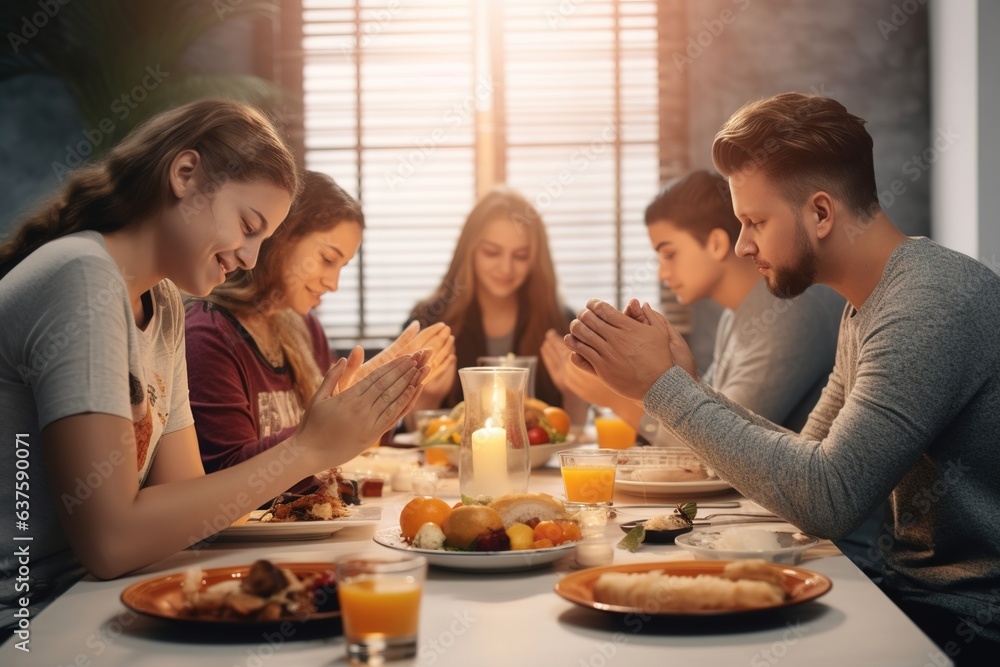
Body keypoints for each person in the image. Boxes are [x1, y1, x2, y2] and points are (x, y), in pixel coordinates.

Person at [565, 92, 1000, 662]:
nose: (744, 245)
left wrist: (659, 388)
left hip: (958, 623)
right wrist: (680, 385)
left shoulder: (925, 305)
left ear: (820, 213)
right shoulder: (868, 304)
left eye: (755, 221)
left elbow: (828, 498)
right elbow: (804, 457)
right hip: (902, 595)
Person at [0, 100, 428, 637]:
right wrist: (308, 449)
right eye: (248, 225)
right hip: (28, 619)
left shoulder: (164, 305)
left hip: (85, 597)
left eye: (263, 240)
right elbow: (111, 542)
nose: (250, 257)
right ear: (185, 174)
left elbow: (185, 506)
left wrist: (323, 444)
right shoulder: (83, 279)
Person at [185, 170, 455, 473]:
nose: (333, 283)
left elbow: (336, 461)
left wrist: (365, 396)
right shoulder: (208, 335)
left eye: (342, 266)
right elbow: (228, 477)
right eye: (328, 259)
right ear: (281, 236)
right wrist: (335, 422)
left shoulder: (305, 329)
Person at [541, 170, 843, 436]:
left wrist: (615, 396)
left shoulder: (790, 314)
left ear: (716, 243)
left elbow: (723, 444)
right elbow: (704, 415)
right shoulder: (734, 317)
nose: (661, 273)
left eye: (669, 253)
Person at [408, 186, 584, 419]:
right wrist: (428, 397)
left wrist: (575, 391)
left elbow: (574, 432)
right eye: (492, 252)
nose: (506, 268)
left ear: (536, 259)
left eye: (520, 256)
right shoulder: (430, 321)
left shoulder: (559, 323)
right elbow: (406, 441)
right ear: (470, 251)